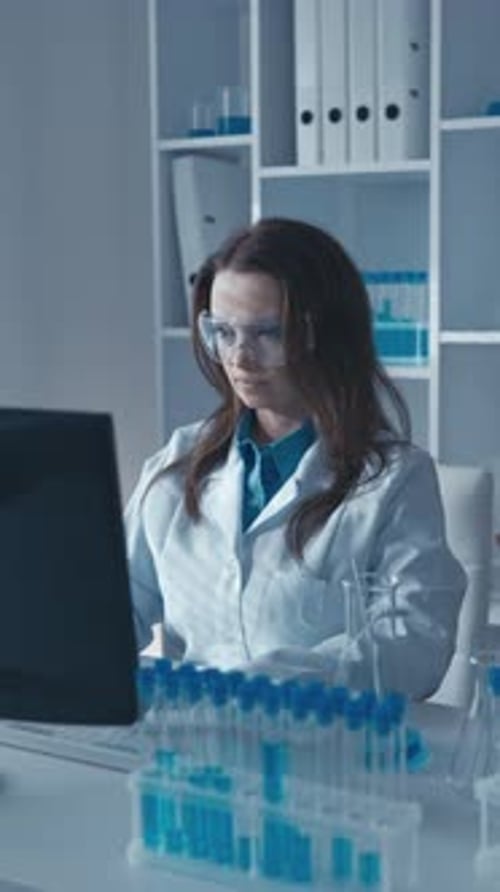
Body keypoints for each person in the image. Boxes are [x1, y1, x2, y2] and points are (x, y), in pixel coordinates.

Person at [125, 217, 466, 699]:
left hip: (324, 753)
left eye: (267, 333)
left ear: (324, 334)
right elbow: (112, 613)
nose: (238, 358)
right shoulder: (177, 465)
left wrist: (267, 683)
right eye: (222, 331)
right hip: (193, 752)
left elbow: (412, 650)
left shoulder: (394, 482)